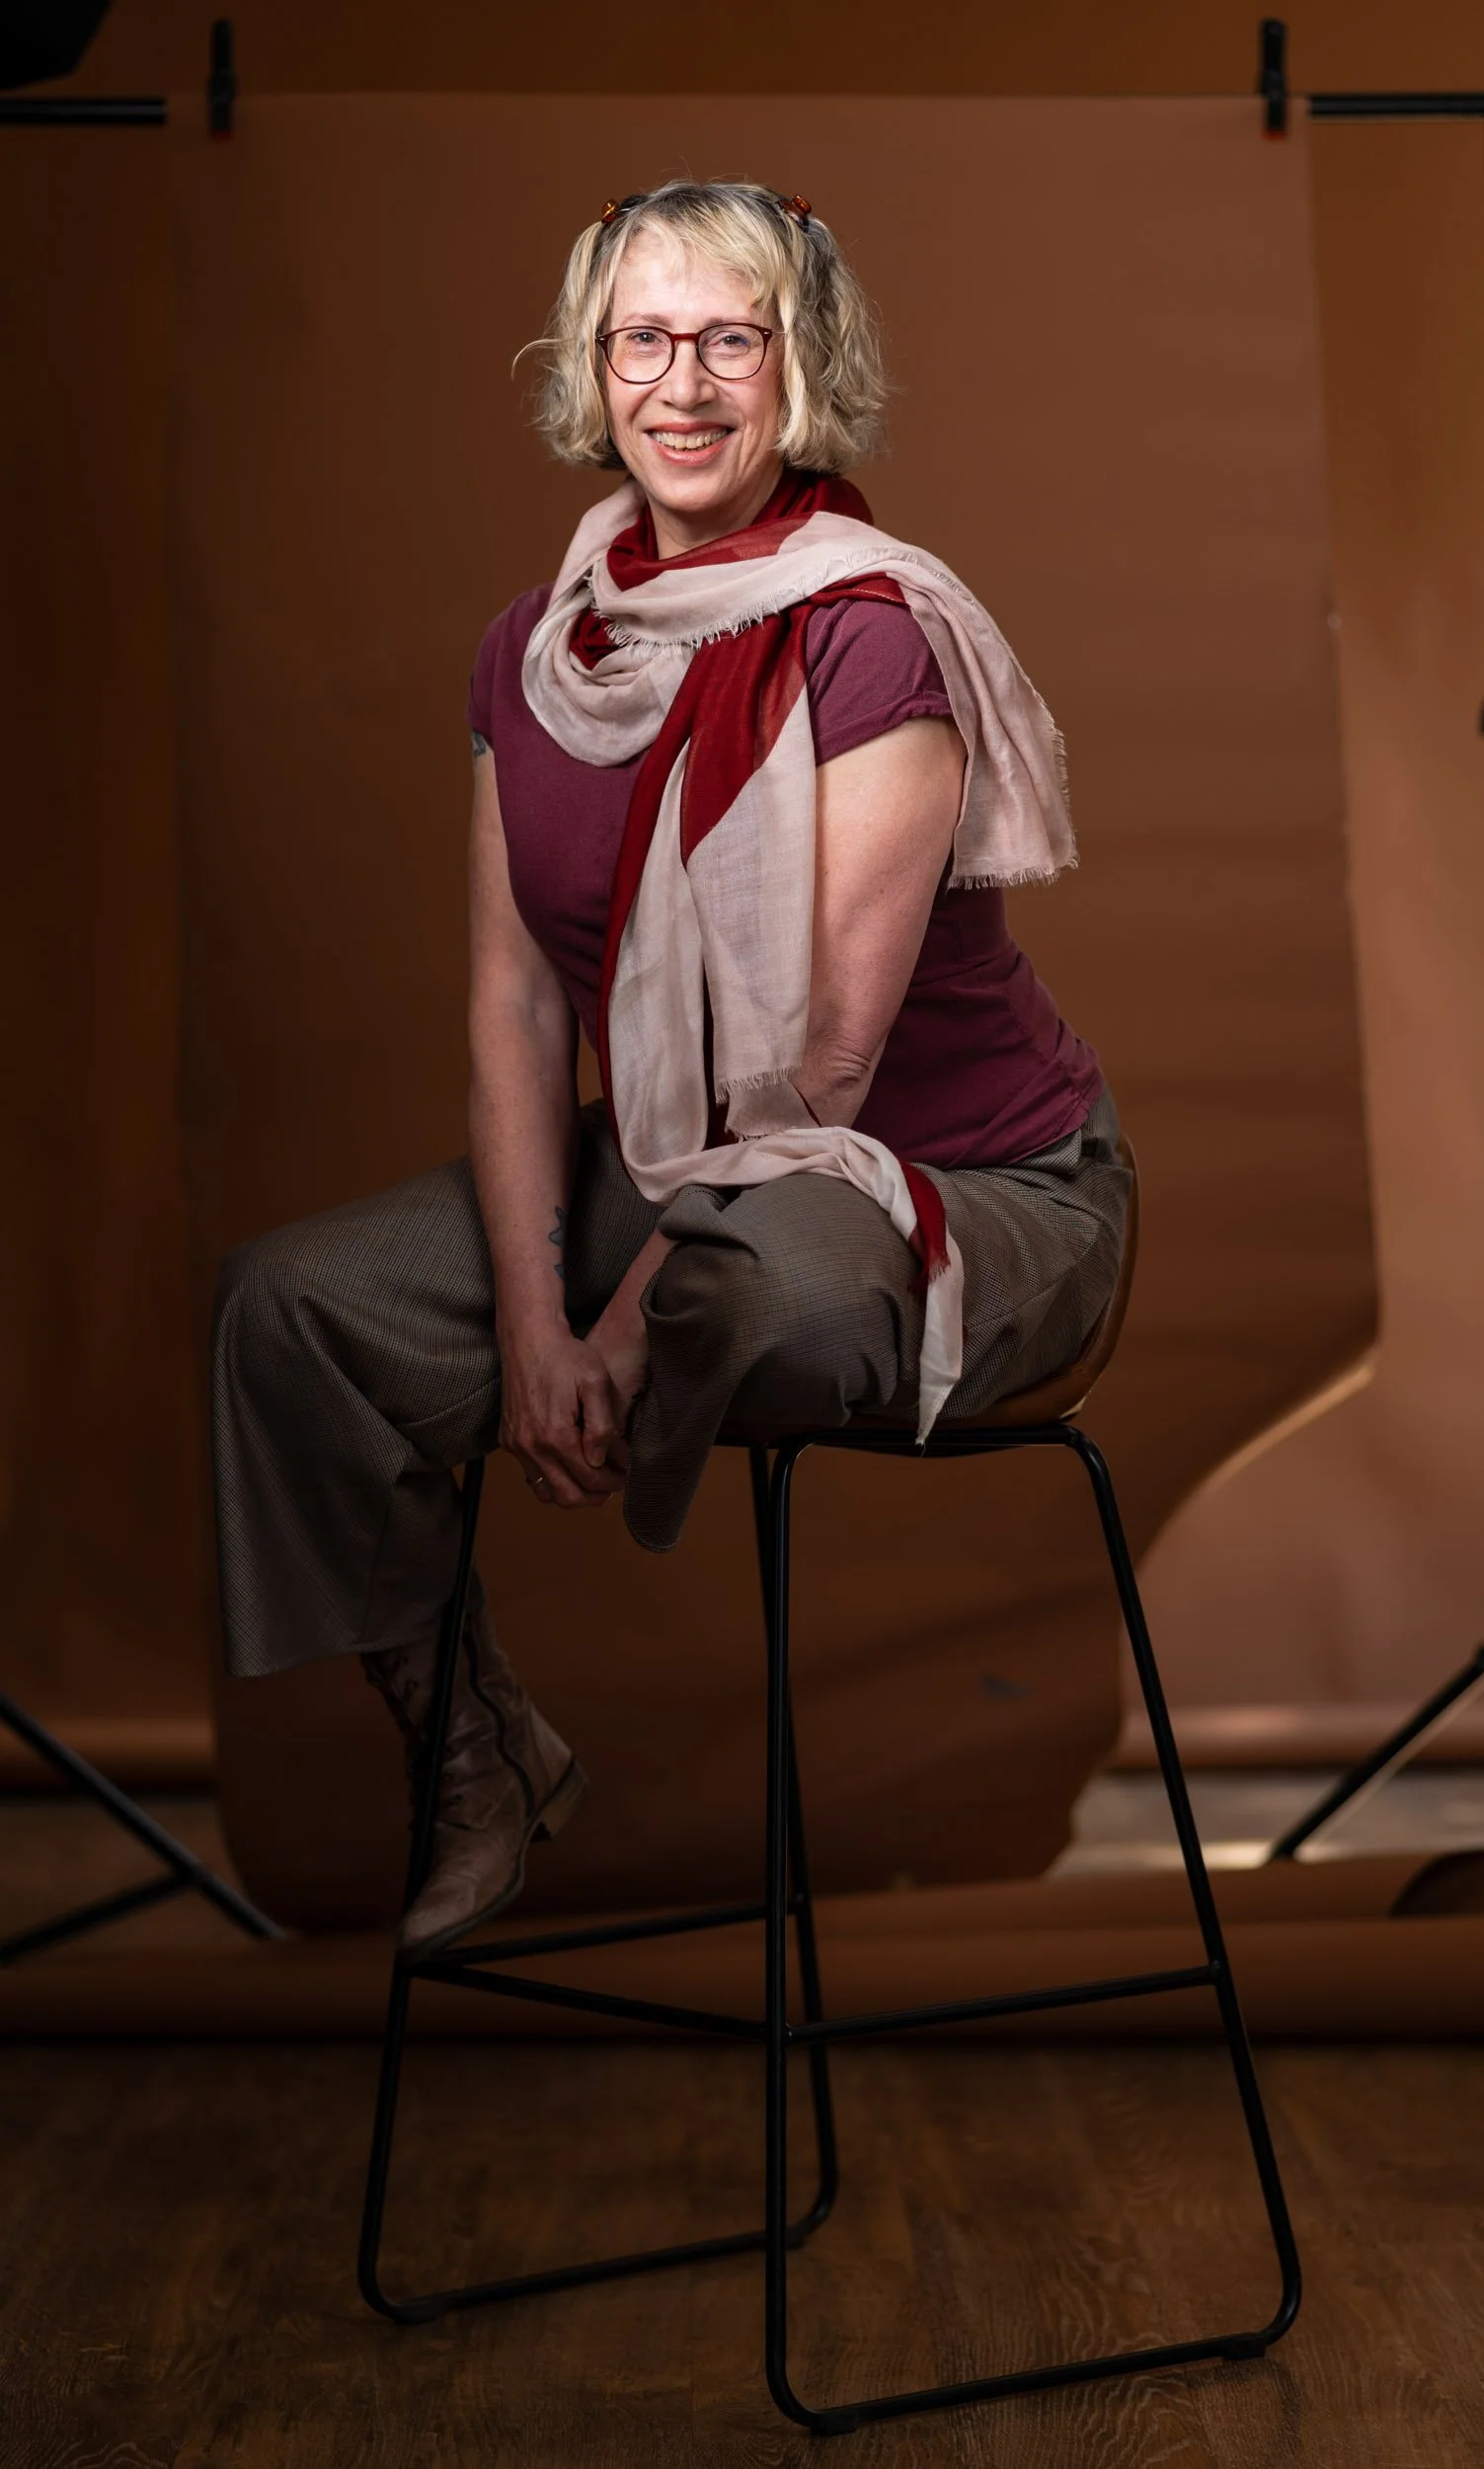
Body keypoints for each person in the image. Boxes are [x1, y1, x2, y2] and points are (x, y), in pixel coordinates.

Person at [211, 180, 1132, 1961]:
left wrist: (617, 1333)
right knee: (292, 1310)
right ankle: (474, 1747)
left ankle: (674, 1324)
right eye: (644, 340)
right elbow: (513, 1007)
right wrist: (531, 1321)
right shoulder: (538, 650)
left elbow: (831, 1063)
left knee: (746, 1298)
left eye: (730, 340)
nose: (683, 385)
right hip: (674, 1159)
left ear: (802, 367)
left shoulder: (875, 628)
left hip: (961, 1184)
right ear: (594, 364)